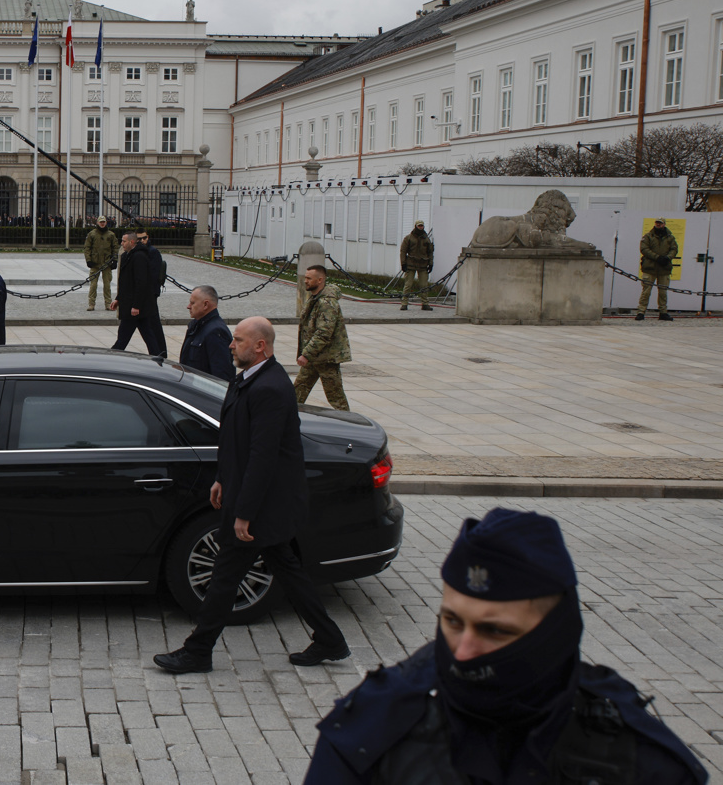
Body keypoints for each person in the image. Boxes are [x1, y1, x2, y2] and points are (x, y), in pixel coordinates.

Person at [304, 507, 708, 784]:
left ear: (555, 632)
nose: (462, 650)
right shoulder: (370, 731)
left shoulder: (639, 760)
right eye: (452, 621)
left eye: (496, 631)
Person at [154, 317, 350, 674]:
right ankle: (330, 639)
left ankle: (198, 651)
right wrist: (222, 479)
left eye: (239, 340)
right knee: (286, 571)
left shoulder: (271, 389)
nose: (231, 345)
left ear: (260, 346)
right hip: (251, 497)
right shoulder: (248, 380)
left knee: (226, 576)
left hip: (262, 505)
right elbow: (235, 440)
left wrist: (243, 511)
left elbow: (263, 457)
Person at [296, 265, 351, 411]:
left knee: (337, 399)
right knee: (297, 392)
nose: (305, 281)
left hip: (326, 359)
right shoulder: (315, 298)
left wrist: (306, 354)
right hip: (315, 357)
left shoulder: (326, 303)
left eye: (309, 278)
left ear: (320, 280)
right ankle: (286, 419)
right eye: (305, 277)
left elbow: (324, 332)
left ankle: (350, 427)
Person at [110, 231, 165, 356]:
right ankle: (158, 356)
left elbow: (141, 283)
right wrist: (118, 299)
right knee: (148, 335)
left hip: (134, 307)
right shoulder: (126, 256)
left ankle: (112, 356)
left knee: (123, 337)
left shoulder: (139, 257)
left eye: (124, 241)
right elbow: (125, 283)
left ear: (132, 242)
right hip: (131, 305)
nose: (122, 243)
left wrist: (136, 305)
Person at [179, 285, 234, 381]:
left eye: (192, 303)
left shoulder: (216, 332)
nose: (188, 306)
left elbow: (221, 376)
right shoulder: (196, 325)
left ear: (205, 305)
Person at [638, 218, 678, 321]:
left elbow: (674, 249)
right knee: (646, 291)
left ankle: (663, 312)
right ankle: (641, 312)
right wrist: (657, 257)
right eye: (657, 223)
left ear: (664, 224)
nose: (658, 225)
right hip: (650, 267)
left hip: (664, 268)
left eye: (660, 223)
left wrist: (667, 258)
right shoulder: (648, 236)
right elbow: (644, 249)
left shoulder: (670, 238)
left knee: (663, 292)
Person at [136, 230, 168, 357]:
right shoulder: (139, 252)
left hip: (150, 294)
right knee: (147, 326)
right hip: (143, 295)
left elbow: (153, 275)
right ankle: (158, 352)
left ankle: (160, 352)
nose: (142, 241)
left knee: (154, 324)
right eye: (139, 238)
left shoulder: (153, 252)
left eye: (144, 238)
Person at [84, 217, 119, 311]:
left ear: (106, 223)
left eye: (104, 222)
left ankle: (108, 303)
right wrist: (88, 260)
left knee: (107, 285)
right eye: (101, 222)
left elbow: (115, 248)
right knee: (93, 285)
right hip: (95, 263)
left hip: (107, 263)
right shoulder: (92, 234)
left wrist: (115, 260)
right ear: (97, 222)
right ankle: (91, 304)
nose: (102, 224)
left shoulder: (111, 235)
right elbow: (87, 248)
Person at [399, 219, 434, 311]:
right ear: (415, 226)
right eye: (419, 226)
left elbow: (430, 252)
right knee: (408, 285)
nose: (420, 227)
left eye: (422, 226)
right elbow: (403, 251)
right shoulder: (408, 238)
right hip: (411, 264)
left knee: (424, 285)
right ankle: (404, 303)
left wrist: (430, 263)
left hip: (423, 265)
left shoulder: (426, 239)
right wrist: (403, 263)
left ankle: (425, 303)